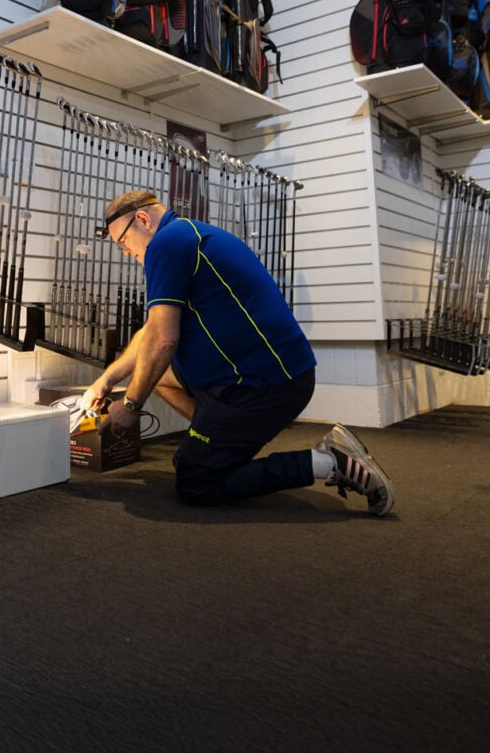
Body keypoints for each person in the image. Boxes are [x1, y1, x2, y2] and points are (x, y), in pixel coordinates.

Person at [79, 189, 395, 515]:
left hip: (266, 385)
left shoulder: (166, 244)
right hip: (256, 375)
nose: (126, 252)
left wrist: (131, 405)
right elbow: (151, 331)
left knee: (195, 480)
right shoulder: (186, 234)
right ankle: (216, 444)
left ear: (142, 219)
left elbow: (163, 340)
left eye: (123, 242)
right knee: (160, 377)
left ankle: (327, 462)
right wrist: (105, 381)